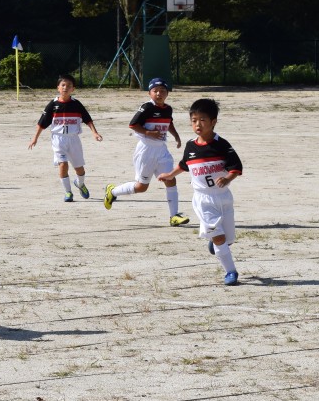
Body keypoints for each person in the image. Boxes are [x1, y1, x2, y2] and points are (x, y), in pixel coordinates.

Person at [159, 98, 244, 286]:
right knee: (219, 237)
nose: (197, 124)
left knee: (228, 239)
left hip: (223, 197)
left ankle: (217, 242)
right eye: (194, 120)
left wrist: (228, 178)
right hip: (203, 199)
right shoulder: (190, 146)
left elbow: (236, 167)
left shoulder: (222, 145)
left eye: (202, 120)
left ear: (213, 122)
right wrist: (169, 174)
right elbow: (184, 165)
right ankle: (231, 272)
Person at [103, 77, 190, 226]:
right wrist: (148, 133)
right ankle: (113, 191)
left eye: (162, 91)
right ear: (150, 93)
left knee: (170, 179)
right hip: (145, 151)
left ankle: (174, 216)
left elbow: (169, 122)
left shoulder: (168, 109)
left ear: (167, 93)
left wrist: (176, 136)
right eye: (155, 91)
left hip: (162, 150)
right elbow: (133, 124)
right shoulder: (147, 107)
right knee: (141, 187)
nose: (159, 93)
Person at [28, 74, 102, 201]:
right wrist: (35, 138)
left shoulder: (76, 104)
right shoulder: (53, 105)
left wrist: (94, 133)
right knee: (63, 165)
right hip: (58, 140)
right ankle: (68, 192)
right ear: (58, 87)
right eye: (63, 85)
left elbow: (88, 119)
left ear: (73, 89)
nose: (65, 88)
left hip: (73, 139)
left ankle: (80, 183)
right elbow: (41, 123)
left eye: (69, 86)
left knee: (79, 169)